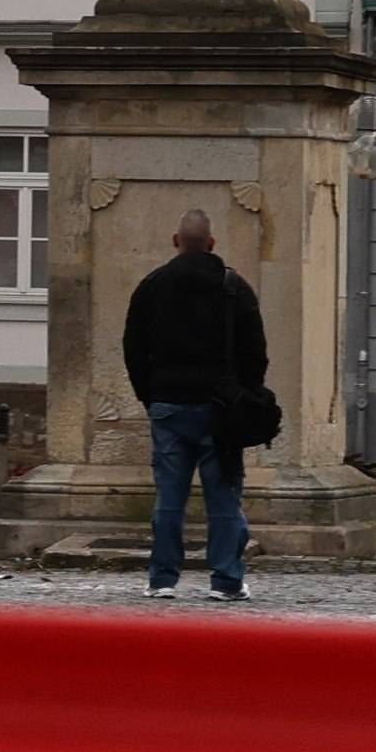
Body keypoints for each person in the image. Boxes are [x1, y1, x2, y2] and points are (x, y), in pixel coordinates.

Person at [121, 208, 267, 601]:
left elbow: (133, 349)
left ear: (176, 242)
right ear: (212, 243)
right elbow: (255, 351)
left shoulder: (151, 287)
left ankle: (163, 579)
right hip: (220, 407)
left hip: (168, 404)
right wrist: (247, 393)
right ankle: (226, 581)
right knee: (222, 497)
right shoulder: (234, 288)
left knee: (170, 497)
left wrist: (149, 396)